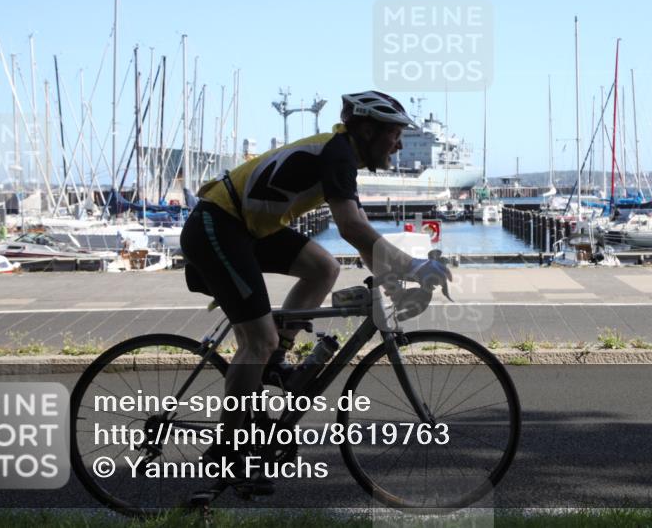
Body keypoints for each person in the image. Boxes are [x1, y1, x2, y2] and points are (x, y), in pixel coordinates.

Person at [179, 90, 451, 487]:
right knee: (257, 341)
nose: (399, 143)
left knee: (323, 268)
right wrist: (414, 266)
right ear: (369, 129)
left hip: (247, 228)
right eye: (394, 133)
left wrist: (393, 278)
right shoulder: (338, 154)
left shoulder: (343, 156)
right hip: (218, 226)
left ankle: (274, 362)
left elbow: (361, 236)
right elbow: (353, 228)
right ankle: (224, 452)